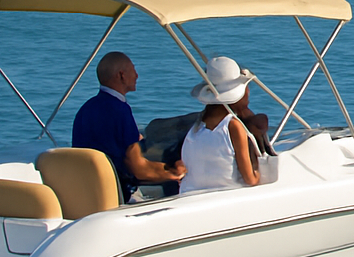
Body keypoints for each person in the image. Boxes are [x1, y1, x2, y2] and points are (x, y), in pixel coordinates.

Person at [71, 51, 185, 201]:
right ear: (121, 75)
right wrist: (174, 173)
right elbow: (137, 168)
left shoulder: (86, 108)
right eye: (133, 70)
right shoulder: (120, 111)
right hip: (115, 193)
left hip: (88, 190)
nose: (137, 76)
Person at [177, 56, 264, 191]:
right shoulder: (233, 126)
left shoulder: (196, 128)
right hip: (226, 197)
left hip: (190, 194)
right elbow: (250, 179)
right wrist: (258, 171)